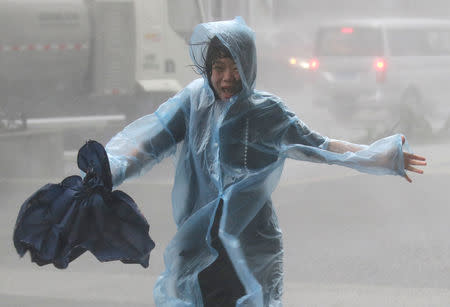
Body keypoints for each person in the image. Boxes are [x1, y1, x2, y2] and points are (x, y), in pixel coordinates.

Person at [101, 17, 427, 306]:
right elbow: (149, 146)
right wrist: (109, 172)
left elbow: (321, 146)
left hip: (249, 243)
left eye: (234, 67)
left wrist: (381, 156)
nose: (226, 77)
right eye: (218, 68)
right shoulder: (194, 105)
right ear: (207, 70)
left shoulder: (267, 112)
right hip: (200, 244)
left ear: (248, 66)